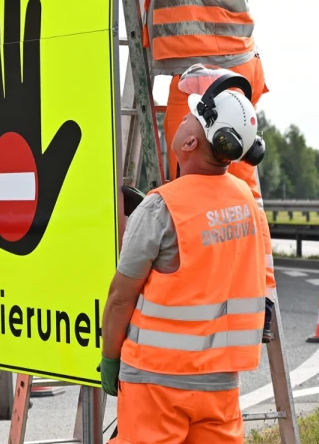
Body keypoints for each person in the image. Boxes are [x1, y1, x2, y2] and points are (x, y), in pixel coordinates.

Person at [119, 0, 277, 315]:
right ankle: (212, 289)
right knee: (196, 197)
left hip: (221, 81)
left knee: (235, 196)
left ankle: (259, 297)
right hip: (198, 82)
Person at [100, 66, 271, 444]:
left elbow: (119, 298)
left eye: (191, 116)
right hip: (219, 383)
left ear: (191, 144)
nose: (182, 119)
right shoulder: (248, 203)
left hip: (154, 381)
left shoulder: (160, 209)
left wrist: (110, 359)